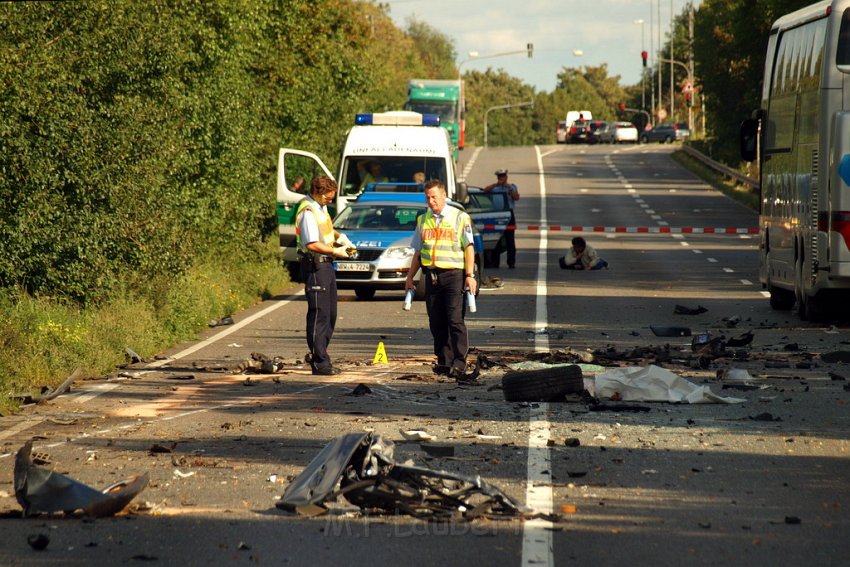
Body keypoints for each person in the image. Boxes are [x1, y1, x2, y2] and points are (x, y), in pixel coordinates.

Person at [405, 180, 478, 382]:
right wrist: (410, 277)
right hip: (432, 276)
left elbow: (469, 248)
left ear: (444, 195)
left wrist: (469, 276)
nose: (431, 201)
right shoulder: (423, 220)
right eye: (427, 197)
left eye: (434, 197)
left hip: (454, 275)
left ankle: (459, 362)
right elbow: (418, 252)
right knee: (436, 321)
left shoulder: (460, 217)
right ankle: (444, 361)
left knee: (455, 320)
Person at [296, 176, 356, 375]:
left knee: (330, 313)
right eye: (328, 198)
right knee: (319, 314)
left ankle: (323, 355)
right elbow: (311, 243)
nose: (331, 201)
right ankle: (319, 361)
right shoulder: (307, 211)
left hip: (327, 265)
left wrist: (341, 238)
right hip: (315, 265)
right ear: (318, 193)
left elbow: (327, 231)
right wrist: (334, 251)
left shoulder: (320, 208)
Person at [483, 168, 519, 268]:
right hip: (497, 214)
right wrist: (496, 184)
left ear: (506, 177)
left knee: (510, 240)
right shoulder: (495, 188)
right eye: (499, 177)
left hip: (508, 214)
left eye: (503, 177)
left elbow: (516, 197)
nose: (501, 178)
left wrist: (509, 188)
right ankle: (495, 262)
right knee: (496, 238)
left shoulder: (512, 187)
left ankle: (511, 262)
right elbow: (485, 191)